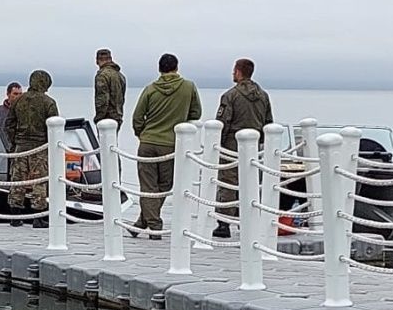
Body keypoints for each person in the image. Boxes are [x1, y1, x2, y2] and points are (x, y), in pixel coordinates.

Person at [130, 53, 202, 238]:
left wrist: (142, 134)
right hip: (171, 144)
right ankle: (155, 226)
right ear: (177, 67)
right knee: (164, 185)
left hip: (147, 142)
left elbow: (138, 117)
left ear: (159, 68)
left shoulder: (150, 89)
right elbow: (196, 112)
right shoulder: (188, 87)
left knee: (148, 185)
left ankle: (144, 221)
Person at [213, 58, 274, 238]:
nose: (233, 73)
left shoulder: (230, 96)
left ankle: (223, 223)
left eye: (234, 70)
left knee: (228, 182)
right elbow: (268, 122)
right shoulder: (263, 96)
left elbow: (223, 122)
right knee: (250, 181)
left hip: (233, 143)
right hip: (254, 144)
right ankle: (246, 219)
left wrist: (219, 145)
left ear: (239, 72)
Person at [3, 70, 59, 228]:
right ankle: (38, 217)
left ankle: (15, 216)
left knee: (17, 181)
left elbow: (10, 124)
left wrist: (14, 142)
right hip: (39, 147)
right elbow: (54, 127)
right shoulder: (48, 102)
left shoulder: (18, 101)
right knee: (39, 182)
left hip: (20, 146)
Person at [94, 49, 126, 129]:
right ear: (110, 59)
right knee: (113, 140)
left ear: (97, 61)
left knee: (105, 141)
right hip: (118, 116)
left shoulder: (102, 76)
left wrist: (98, 118)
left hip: (107, 117)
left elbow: (102, 100)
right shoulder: (120, 75)